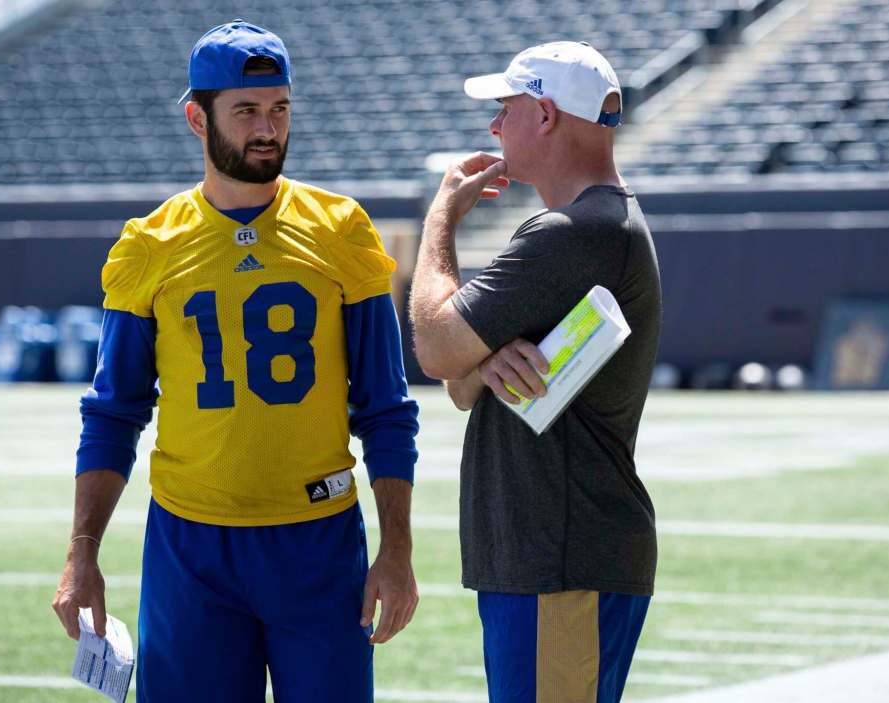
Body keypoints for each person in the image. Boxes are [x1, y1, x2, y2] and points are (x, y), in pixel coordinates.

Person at [51, 20, 419, 702]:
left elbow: (387, 407)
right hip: (191, 547)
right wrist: (83, 551)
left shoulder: (342, 229)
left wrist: (396, 549)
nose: (267, 128)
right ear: (198, 117)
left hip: (318, 541)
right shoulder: (150, 246)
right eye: (246, 110)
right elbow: (113, 411)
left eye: (279, 108)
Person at [409, 41, 661, 703]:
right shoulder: (595, 227)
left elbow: (434, 348)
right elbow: (462, 381)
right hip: (552, 554)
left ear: (545, 116)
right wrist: (486, 355)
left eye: (506, 108)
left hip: (560, 556)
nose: (495, 127)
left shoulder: (573, 234)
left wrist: (440, 217)